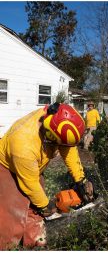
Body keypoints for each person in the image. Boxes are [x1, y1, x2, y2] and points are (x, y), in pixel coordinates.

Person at [0, 103, 94, 250]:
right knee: (13, 216)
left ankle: (35, 244)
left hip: (33, 167)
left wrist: (80, 179)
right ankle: (7, 246)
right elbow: (30, 184)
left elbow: (68, 148)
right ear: (49, 135)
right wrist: (46, 205)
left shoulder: (57, 116)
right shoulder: (23, 144)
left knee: (35, 211)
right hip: (8, 167)